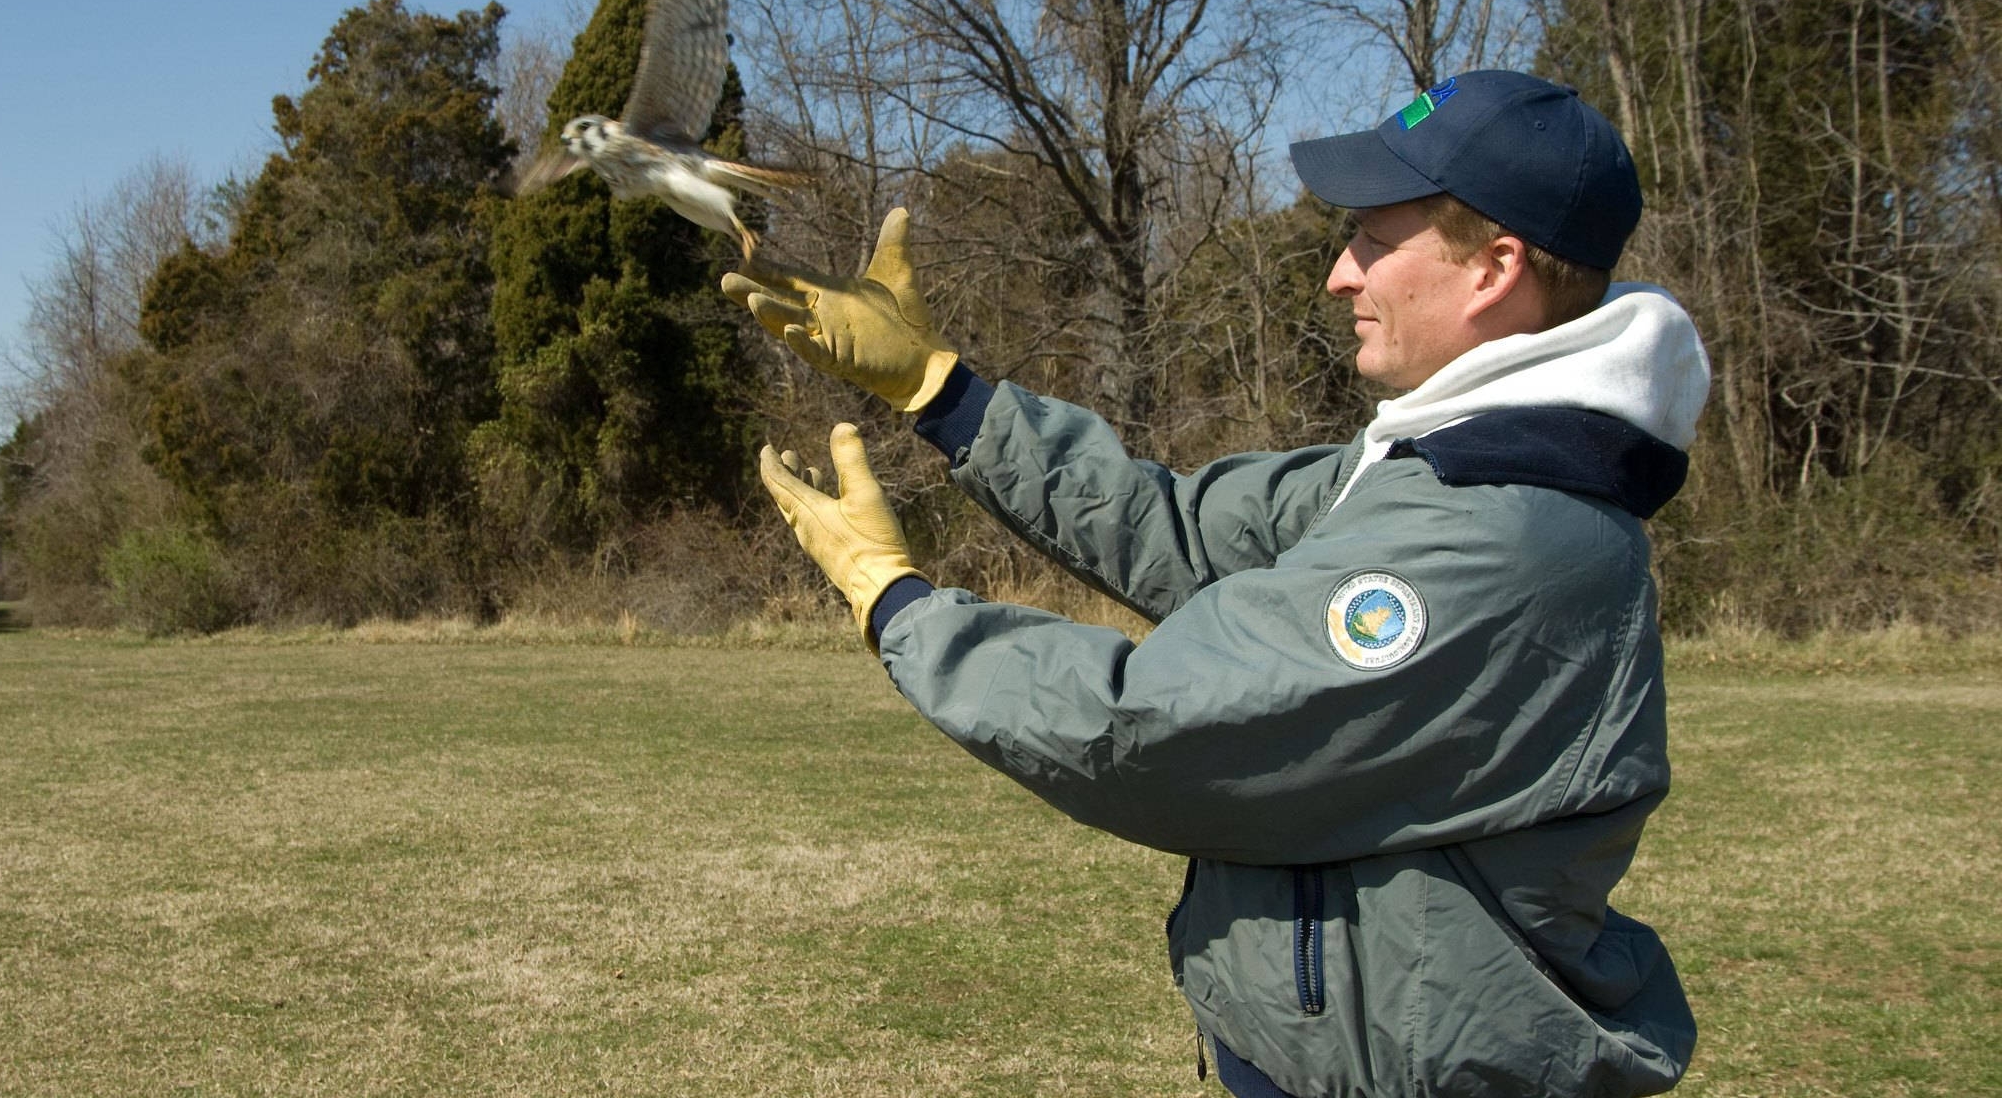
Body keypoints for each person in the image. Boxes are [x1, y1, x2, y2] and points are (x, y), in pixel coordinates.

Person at [724, 70, 1707, 1098]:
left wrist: (901, 607)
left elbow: (1154, 728)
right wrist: (944, 392)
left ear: (1491, 268)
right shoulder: (1436, 464)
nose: (1338, 273)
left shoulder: (1493, 530)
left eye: (1373, 237)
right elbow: (1188, 537)